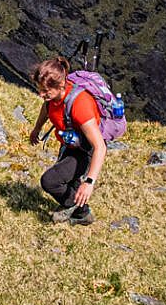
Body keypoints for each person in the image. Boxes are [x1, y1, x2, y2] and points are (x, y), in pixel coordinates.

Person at [29, 56, 107, 226]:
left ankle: (80, 212)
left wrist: (89, 182)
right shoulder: (53, 99)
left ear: (61, 85)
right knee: (69, 181)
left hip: (85, 150)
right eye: (39, 89)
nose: (41, 95)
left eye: (45, 91)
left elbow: (100, 147)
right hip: (70, 144)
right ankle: (79, 210)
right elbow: (47, 108)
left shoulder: (80, 105)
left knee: (50, 181)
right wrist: (37, 129)